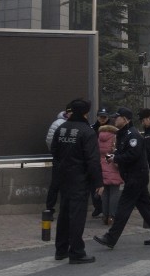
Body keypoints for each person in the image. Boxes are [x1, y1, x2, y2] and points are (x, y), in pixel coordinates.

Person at [93, 107, 150, 249]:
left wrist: (116, 157)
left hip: (136, 177)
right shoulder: (123, 134)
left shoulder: (132, 135)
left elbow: (133, 154)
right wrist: (114, 156)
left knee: (123, 208)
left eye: (118, 117)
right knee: (146, 208)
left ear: (125, 119)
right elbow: (124, 152)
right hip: (133, 176)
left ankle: (111, 237)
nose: (115, 119)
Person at [49, 98, 102, 264]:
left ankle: (61, 249)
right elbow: (93, 160)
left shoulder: (62, 128)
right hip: (79, 180)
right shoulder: (87, 132)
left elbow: (55, 151)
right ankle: (77, 252)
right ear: (86, 113)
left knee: (64, 214)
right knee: (77, 216)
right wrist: (98, 182)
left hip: (63, 178)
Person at [97, 120, 122, 225]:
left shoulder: (99, 136)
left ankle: (104, 215)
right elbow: (114, 151)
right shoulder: (115, 136)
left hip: (102, 165)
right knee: (114, 193)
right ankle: (112, 216)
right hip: (112, 165)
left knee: (105, 193)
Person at [44, 108, 68, 217]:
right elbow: (50, 140)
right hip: (61, 158)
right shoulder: (59, 124)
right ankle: (51, 208)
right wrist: (56, 153)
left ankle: (51, 208)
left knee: (56, 184)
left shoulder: (60, 123)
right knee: (56, 184)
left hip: (60, 158)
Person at [90, 107, 111, 219]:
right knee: (94, 185)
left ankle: (107, 209)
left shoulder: (112, 129)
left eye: (104, 117)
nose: (102, 119)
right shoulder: (92, 128)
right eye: (100, 116)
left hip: (108, 160)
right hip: (95, 159)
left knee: (108, 185)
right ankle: (98, 207)